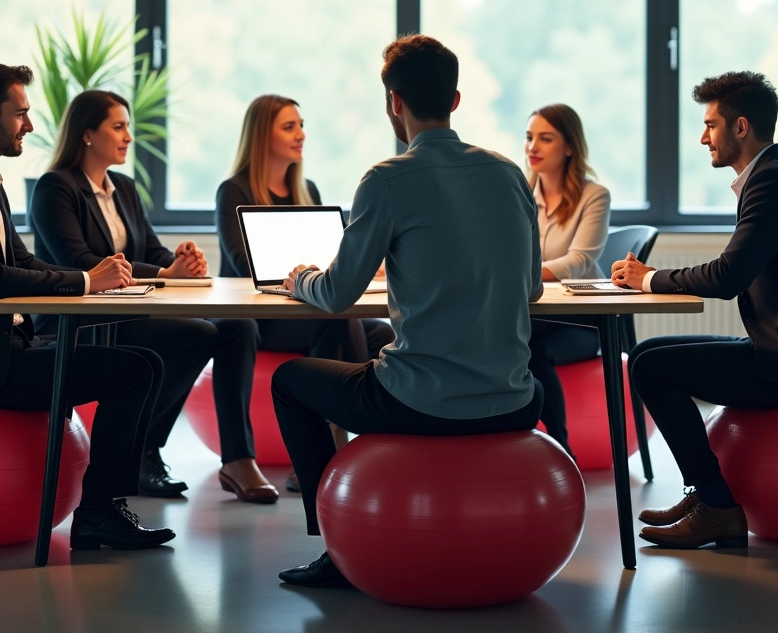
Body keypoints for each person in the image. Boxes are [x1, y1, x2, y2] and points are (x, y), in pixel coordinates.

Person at [271, 34, 545, 589]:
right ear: (456, 99)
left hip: (425, 402)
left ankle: (335, 545)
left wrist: (299, 277)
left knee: (289, 380)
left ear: (394, 101)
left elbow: (336, 295)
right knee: (377, 349)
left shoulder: (387, 179)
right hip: (515, 399)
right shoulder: (508, 173)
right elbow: (533, 287)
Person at [0, 61, 174, 551]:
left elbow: (22, 260)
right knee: (135, 371)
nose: (30, 125)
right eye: (21, 114)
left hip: (8, 348)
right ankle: (98, 514)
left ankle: (103, 508)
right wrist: (83, 280)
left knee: (145, 363)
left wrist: (94, 284)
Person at [611, 70, 778, 550]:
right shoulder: (773, 175)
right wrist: (652, 278)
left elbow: (727, 276)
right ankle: (705, 495)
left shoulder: (773, 181)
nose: (703, 138)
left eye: (711, 125)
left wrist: (649, 279)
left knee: (651, 366)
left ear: (741, 127)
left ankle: (717, 506)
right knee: (647, 354)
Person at [29, 89, 277, 504]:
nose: (129, 136)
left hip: (129, 315)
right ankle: (144, 450)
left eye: (129, 127)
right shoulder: (55, 188)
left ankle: (236, 458)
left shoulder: (123, 187)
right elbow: (82, 261)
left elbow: (151, 250)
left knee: (237, 326)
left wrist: (183, 259)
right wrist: (165, 273)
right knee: (196, 335)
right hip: (83, 323)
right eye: (119, 126)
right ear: (87, 134)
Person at [215, 94, 394, 491]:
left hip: (303, 307)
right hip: (260, 314)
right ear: (263, 136)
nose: (301, 134)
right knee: (252, 326)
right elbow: (243, 263)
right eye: (289, 126)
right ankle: (276, 456)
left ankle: (344, 445)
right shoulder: (234, 190)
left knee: (377, 331)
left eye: (301, 125)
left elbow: (336, 256)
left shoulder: (307, 188)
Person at [523, 104, 610, 456]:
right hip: (535, 312)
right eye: (529, 137)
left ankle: (561, 448)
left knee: (532, 349)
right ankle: (516, 443)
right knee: (507, 339)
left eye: (545, 138)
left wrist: (518, 273)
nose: (533, 147)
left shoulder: (594, 196)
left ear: (570, 146)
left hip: (583, 320)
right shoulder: (521, 195)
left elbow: (579, 260)